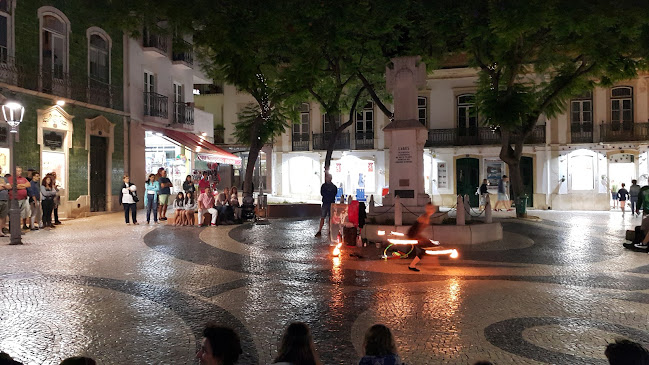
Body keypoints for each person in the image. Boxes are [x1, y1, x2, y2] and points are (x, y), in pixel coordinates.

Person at [407, 202, 436, 272]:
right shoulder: (424, 217)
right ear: (426, 208)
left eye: (432, 208)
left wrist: (424, 239)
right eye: (429, 208)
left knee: (427, 248)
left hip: (414, 235)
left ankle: (413, 265)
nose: (431, 210)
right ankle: (412, 265)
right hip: (413, 235)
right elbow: (418, 229)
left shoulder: (426, 217)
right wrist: (422, 238)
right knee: (425, 249)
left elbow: (420, 230)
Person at [7, 166, 31, 230]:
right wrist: (23, 186)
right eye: (18, 171)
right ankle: (13, 229)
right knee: (14, 214)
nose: (20, 172)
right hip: (15, 198)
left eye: (20, 171)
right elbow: (13, 186)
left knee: (20, 214)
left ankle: (18, 228)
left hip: (23, 198)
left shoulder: (23, 178)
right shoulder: (11, 178)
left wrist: (20, 186)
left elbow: (28, 185)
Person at [315, 173, 337, 237]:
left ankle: (325, 230)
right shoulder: (331, 186)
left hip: (327, 203)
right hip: (328, 203)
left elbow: (323, 193)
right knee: (325, 217)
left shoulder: (326, 186)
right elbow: (332, 194)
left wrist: (327, 196)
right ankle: (325, 231)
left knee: (327, 217)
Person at [0, 167, 10, 237]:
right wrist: (4, 186)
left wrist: (3, 186)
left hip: (5, 199)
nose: (0, 170)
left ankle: (0, 230)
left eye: (0, 168)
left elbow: (9, 187)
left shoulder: (4, 179)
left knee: (3, 216)